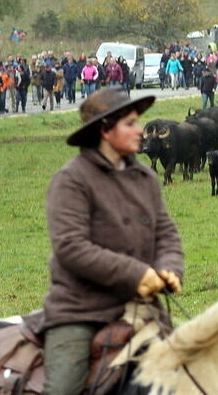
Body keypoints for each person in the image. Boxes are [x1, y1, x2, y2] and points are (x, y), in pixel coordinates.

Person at [37, 88, 183, 394]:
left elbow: (166, 233)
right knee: (63, 388)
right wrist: (136, 274)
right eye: (130, 123)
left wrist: (170, 269)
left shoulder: (145, 177)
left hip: (143, 307)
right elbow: (70, 247)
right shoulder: (72, 180)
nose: (140, 130)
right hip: (81, 312)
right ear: (104, 130)